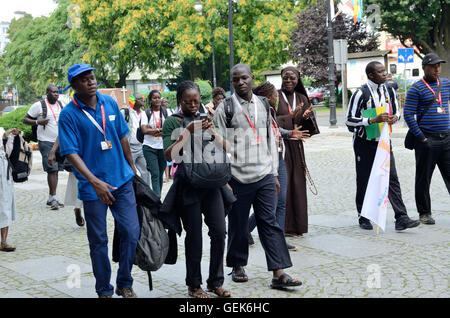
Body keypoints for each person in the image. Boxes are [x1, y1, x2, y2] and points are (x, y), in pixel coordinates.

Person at [214, 64, 302, 289]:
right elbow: (216, 147)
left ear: (252, 78)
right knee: (238, 224)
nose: (241, 82)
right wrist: (225, 180)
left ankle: (278, 272)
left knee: (269, 222)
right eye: (235, 80)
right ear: (232, 82)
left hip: (263, 174)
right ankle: (237, 265)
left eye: (244, 78)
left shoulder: (263, 104)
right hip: (237, 177)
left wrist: (273, 173)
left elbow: (271, 140)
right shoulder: (225, 109)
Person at [58, 63, 140, 298]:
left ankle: (125, 281)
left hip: (121, 181)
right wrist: (94, 181)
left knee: (131, 231)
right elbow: (71, 153)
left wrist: (132, 169)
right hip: (93, 188)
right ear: (74, 86)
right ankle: (104, 289)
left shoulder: (110, 103)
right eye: (84, 80)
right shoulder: (69, 115)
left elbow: (123, 136)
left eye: (92, 78)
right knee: (98, 241)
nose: (91, 82)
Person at [162, 80, 231, 298]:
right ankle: (194, 285)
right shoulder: (172, 122)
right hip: (188, 185)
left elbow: (226, 148)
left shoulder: (206, 118)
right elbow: (169, 156)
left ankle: (215, 282)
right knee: (194, 237)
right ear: (179, 101)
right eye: (187, 101)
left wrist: (215, 133)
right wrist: (188, 132)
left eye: (196, 100)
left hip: (211, 184)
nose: (193, 105)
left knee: (220, 232)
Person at [346, 61, 421, 231]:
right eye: (380, 72)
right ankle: (363, 216)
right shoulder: (360, 93)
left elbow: (397, 111)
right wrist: (372, 120)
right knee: (364, 179)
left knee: (391, 178)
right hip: (364, 143)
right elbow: (349, 120)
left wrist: (395, 117)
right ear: (371, 75)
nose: (385, 74)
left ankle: (401, 217)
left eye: (384, 71)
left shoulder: (388, 89)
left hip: (384, 141)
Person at [247, 81, 310, 252]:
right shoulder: (257, 112)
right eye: (275, 95)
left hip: (279, 159)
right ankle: (246, 228)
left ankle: (280, 238)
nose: (278, 97)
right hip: (265, 161)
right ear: (268, 98)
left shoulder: (271, 111)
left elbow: (277, 130)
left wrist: (290, 133)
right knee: (271, 204)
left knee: (281, 202)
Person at [403, 53, 450, 225]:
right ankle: (424, 213)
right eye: (434, 66)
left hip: (446, 139)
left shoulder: (445, 84)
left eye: (439, 66)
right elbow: (408, 114)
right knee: (423, 178)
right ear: (424, 68)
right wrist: (421, 138)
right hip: (427, 141)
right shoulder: (416, 89)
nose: (437, 69)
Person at [276, 66, 320, 237]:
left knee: (297, 185)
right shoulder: (276, 96)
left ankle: (297, 226)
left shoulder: (302, 97)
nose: (288, 81)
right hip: (281, 146)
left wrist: (307, 117)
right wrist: (291, 117)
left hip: (297, 147)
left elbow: (310, 129)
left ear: (298, 79)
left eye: (292, 78)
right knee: (284, 185)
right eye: (285, 78)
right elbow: (271, 120)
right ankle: (283, 226)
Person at [23, 85, 65, 210]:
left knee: (56, 169)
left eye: (57, 92)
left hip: (60, 142)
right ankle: (53, 197)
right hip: (45, 141)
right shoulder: (39, 105)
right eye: (53, 92)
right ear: (47, 93)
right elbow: (25, 119)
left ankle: (53, 197)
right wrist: (37, 122)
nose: (56, 94)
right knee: (52, 168)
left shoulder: (61, 105)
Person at [48, 138, 85, 227]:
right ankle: (78, 207)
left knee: (85, 184)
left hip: (93, 150)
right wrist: (53, 151)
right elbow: (62, 131)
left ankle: (79, 207)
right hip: (77, 152)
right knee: (78, 182)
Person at [120, 93, 151, 186]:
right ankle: (131, 191)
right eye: (140, 98)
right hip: (128, 148)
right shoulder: (125, 113)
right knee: (129, 172)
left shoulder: (144, 114)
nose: (143, 100)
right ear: (133, 101)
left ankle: (146, 192)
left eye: (143, 98)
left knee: (146, 171)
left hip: (141, 147)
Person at [141, 90, 168, 197]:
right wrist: (161, 131)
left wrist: (154, 130)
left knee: (160, 173)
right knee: (155, 174)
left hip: (163, 147)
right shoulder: (146, 113)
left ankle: (158, 196)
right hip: (149, 147)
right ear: (150, 100)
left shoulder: (167, 112)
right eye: (154, 98)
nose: (157, 100)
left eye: (159, 97)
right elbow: (144, 130)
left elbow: (169, 130)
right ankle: (157, 199)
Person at [0, 128, 19, 252]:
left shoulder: (1, 130)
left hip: (2, 169)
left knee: (4, 203)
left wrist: (10, 137)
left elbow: (9, 151)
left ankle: (3, 241)